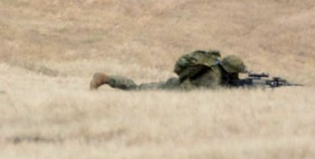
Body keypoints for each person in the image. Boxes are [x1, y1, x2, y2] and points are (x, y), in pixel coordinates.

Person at [92, 49, 247, 91]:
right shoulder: (214, 75)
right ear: (229, 69)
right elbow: (211, 93)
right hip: (176, 89)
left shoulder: (217, 69)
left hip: (178, 84)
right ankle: (105, 78)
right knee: (137, 89)